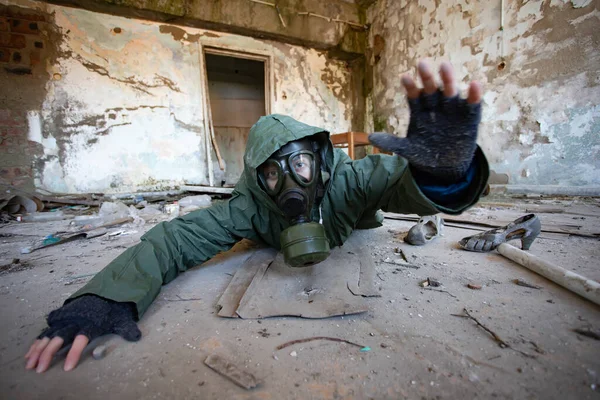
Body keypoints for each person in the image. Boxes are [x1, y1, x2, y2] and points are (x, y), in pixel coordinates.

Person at [25, 60, 489, 373]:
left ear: (320, 159)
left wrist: (443, 172)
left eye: (300, 164)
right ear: (256, 179)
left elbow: (396, 180)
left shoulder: (347, 180)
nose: (290, 183)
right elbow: (172, 241)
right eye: (272, 173)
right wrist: (104, 299)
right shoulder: (248, 207)